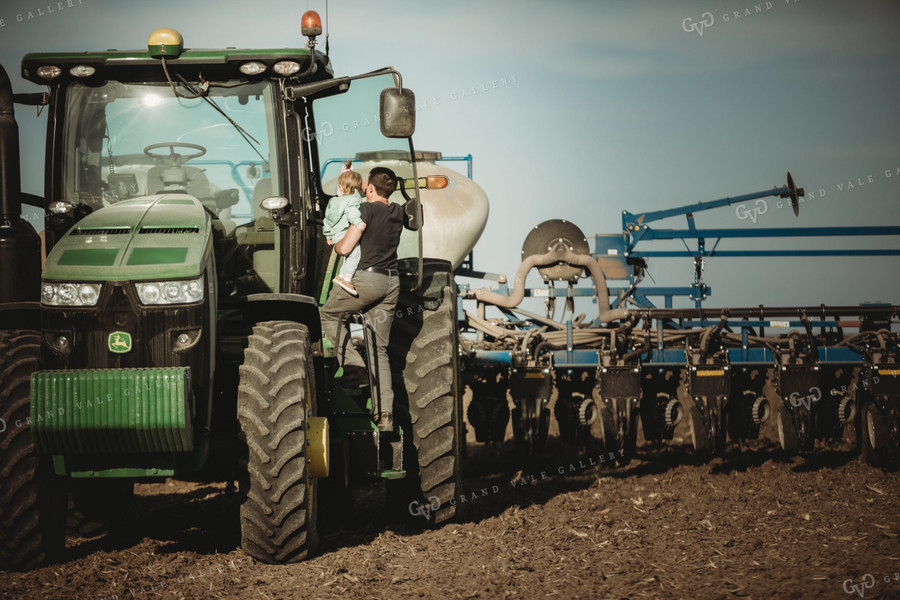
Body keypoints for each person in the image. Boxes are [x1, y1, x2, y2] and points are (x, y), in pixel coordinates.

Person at [320, 166, 405, 432]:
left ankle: (354, 368)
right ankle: (386, 415)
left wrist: (336, 239)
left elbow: (345, 247)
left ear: (369, 188)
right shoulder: (398, 212)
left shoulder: (366, 211)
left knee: (328, 314)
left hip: (367, 280)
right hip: (391, 283)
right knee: (378, 348)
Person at [323, 161, 365, 296]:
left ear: (340, 187)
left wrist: (328, 235)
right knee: (355, 252)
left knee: (349, 254)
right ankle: (346, 277)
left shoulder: (333, 201)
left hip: (335, 235)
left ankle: (342, 274)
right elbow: (351, 213)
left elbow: (327, 219)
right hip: (344, 233)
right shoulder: (353, 200)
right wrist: (358, 223)